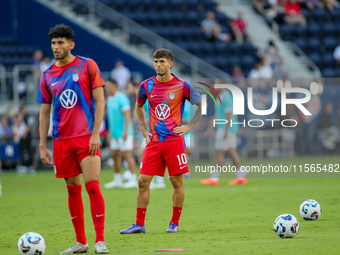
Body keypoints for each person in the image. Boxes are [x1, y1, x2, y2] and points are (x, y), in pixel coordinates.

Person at [37, 24, 109, 254]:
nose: (56, 47)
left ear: (71, 44)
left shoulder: (87, 65)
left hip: (86, 136)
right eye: (53, 43)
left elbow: (100, 101)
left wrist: (96, 133)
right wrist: (42, 144)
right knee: (72, 190)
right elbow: (44, 112)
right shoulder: (47, 74)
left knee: (93, 185)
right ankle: (81, 242)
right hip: (61, 140)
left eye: (60, 43)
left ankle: (100, 240)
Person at [120, 48, 202, 234]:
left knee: (175, 182)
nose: (158, 65)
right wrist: (143, 129)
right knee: (142, 180)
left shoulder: (182, 86)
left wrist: (189, 127)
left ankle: (174, 222)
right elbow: (139, 106)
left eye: (162, 61)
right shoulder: (146, 85)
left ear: (170, 63)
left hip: (174, 141)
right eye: (156, 61)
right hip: (154, 142)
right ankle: (139, 224)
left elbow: (201, 104)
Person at [200, 80, 246, 186]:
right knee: (231, 152)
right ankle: (240, 177)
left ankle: (214, 178)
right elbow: (218, 115)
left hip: (226, 128)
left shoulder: (226, 97)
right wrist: (211, 128)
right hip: (226, 128)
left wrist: (226, 131)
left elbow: (228, 114)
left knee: (219, 152)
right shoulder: (221, 97)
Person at [104, 79, 138, 188]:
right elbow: (111, 118)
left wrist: (126, 131)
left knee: (127, 154)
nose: (107, 88)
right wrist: (109, 133)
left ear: (114, 86)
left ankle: (133, 179)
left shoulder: (122, 98)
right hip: (114, 134)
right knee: (115, 155)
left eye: (108, 85)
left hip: (124, 133)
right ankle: (117, 179)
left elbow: (128, 116)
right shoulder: (109, 99)